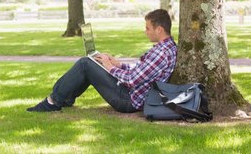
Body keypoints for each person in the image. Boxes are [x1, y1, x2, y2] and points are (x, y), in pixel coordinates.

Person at [27, 9, 177, 113]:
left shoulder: (160, 52)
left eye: (148, 28)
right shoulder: (168, 47)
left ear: (159, 30)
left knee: (85, 64)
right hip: (131, 93)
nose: (145, 31)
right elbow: (142, 70)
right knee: (91, 63)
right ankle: (64, 99)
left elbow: (132, 80)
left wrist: (109, 67)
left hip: (128, 100)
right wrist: (118, 64)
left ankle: (53, 101)